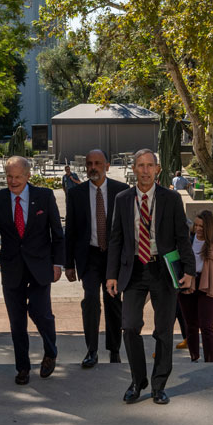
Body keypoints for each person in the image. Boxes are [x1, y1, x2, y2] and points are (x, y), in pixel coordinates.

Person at [106, 149, 195, 405]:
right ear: (133, 169)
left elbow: (182, 238)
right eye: (140, 166)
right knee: (130, 326)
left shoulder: (171, 198)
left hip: (163, 270)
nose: (145, 170)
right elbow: (116, 240)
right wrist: (111, 274)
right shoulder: (123, 199)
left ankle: (158, 385)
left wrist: (189, 271)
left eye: (149, 166)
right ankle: (138, 380)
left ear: (157, 169)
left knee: (164, 331)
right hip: (133, 269)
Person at [0, 156, 65, 386]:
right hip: (12, 268)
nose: (13, 181)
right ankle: (23, 368)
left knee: (41, 313)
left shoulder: (44, 197)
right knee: (17, 322)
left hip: (40, 267)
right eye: (9, 176)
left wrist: (58, 263)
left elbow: (57, 234)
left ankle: (51, 351)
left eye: (17, 176)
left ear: (28, 176)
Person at [64, 149, 130, 368]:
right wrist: (68, 264)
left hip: (114, 258)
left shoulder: (122, 191)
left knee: (113, 304)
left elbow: (128, 229)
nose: (93, 167)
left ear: (107, 166)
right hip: (89, 257)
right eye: (90, 163)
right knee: (90, 300)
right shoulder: (76, 194)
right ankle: (91, 350)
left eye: (98, 163)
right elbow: (70, 230)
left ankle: (114, 350)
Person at [179, 210, 213, 362]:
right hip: (189, 284)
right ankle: (194, 357)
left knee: (207, 326)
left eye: (201, 226)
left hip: (209, 285)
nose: (198, 228)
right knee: (191, 325)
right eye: (196, 225)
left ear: (209, 227)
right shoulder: (188, 239)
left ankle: (209, 361)